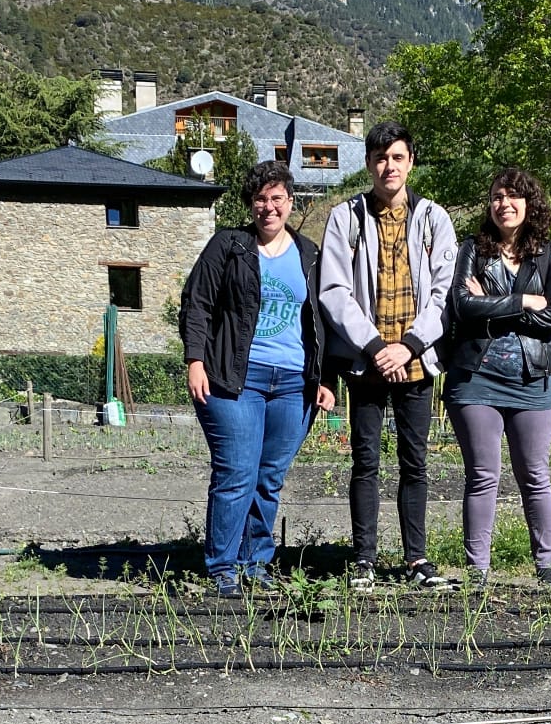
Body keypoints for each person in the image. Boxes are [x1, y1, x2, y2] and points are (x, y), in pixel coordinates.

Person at [178, 161, 335, 596]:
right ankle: (223, 567)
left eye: (277, 198)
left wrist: (324, 379)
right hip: (233, 379)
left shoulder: (309, 254)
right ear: (251, 204)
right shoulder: (228, 246)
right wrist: (195, 360)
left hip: (293, 382)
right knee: (236, 473)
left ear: (290, 202)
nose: (269, 207)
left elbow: (321, 322)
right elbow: (196, 305)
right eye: (261, 199)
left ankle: (256, 564)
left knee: (268, 477)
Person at [318, 120, 458, 590]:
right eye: (381, 158)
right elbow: (334, 289)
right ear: (368, 164)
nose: (389, 166)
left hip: (416, 362)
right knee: (366, 461)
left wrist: (409, 345)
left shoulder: (435, 220)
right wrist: (377, 347)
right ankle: (364, 560)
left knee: (415, 463)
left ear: (410, 162)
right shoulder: (346, 218)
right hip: (368, 363)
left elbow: (444, 292)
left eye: (397, 157)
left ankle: (416, 560)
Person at [441, 167, 551, 585]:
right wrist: (522, 301)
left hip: (535, 380)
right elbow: (462, 306)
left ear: (529, 205)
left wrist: (493, 303)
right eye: (497, 196)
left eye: (513, 196)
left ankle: (546, 568)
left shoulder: (550, 254)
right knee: (482, 475)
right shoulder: (472, 250)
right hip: (476, 377)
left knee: (534, 474)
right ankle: (477, 570)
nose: (504, 204)